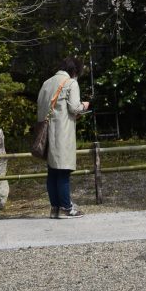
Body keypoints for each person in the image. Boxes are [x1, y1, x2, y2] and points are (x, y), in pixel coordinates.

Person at [36, 57, 90, 219]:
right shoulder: (71, 83)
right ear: (75, 71)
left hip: (47, 132)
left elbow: (41, 107)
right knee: (63, 170)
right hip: (62, 132)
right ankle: (67, 208)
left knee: (52, 171)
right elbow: (74, 107)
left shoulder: (47, 83)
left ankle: (55, 209)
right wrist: (84, 106)